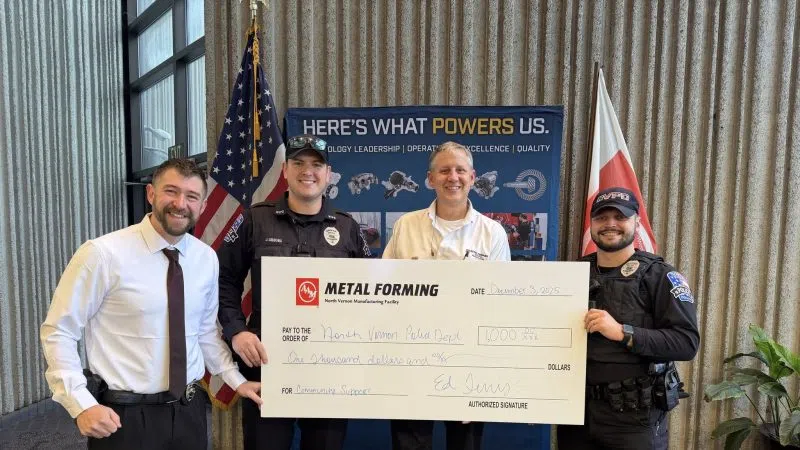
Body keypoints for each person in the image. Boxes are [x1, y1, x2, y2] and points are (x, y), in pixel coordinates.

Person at [40, 158, 261, 450]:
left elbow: (204, 332)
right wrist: (80, 403)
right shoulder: (102, 254)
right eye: (171, 191)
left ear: (203, 206)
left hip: (189, 413)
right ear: (151, 193)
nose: (180, 203)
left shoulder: (206, 258)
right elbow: (59, 331)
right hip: (124, 418)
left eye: (192, 196)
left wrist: (235, 379)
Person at [217, 134, 371, 450]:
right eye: (298, 163)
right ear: (285, 170)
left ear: (328, 174)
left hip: (330, 367)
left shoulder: (347, 228)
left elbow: (369, 294)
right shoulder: (254, 219)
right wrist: (237, 331)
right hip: (267, 363)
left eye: (317, 164)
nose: (307, 171)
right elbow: (222, 281)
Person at [382, 141, 511, 450]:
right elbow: (385, 293)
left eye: (460, 170)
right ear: (430, 179)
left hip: (468, 364)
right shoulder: (405, 225)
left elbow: (500, 305)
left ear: (472, 177)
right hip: (410, 361)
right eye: (444, 171)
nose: (453, 177)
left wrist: (482, 377)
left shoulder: (492, 232)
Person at [557, 187, 700, 450]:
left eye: (620, 217)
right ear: (591, 224)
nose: (610, 224)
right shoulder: (570, 276)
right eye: (601, 217)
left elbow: (686, 342)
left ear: (637, 222)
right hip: (577, 417)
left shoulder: (659, 276)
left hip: (633, 420)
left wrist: (623, 332)